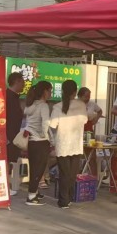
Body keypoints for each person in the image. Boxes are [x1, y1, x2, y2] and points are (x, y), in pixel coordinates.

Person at [49, 80, 88, 208]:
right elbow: (85, 120)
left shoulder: (57, 106)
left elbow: (53, 125)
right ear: (75, 92)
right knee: (72, 174)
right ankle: (69, 197)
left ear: (62, 91)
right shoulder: (81, 105)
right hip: (76, 145)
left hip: (62, 144)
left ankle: (63, 200)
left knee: (64, 174)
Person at [24, 81, 52, 205]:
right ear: (44, 91)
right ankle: (31, 196)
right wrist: (46, 137)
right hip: (40, 141)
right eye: (49, 90)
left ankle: (34, 192)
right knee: (39, 169)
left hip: (31, 141)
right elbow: (45, 123)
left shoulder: (30, 105)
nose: (50, 93)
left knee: (34, 168)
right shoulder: (43, 106)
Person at [6, 72, 25, 196]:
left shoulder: (15, 97)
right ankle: (6, 187)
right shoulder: (7, 96)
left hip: (14, 136)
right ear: (16, 81)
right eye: (22, 82)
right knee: (7, 161)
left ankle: (7, 186)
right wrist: (5, 136)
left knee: (11, 160)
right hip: (8, 136)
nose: (24, 85)